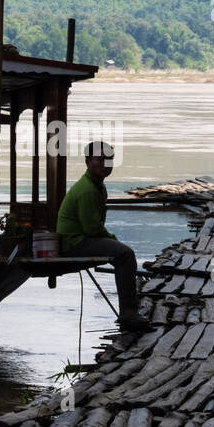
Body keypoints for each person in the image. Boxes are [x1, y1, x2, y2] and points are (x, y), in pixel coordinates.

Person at [56, 141, 150, 331]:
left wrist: (109, 239)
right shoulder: (88, 190)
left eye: (109, 160)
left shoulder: (97, 186)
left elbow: (94, 228)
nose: (105, 164)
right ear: (88, 161)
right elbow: (92, 229)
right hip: (74, 242)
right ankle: (128, 313)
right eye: (100, 159)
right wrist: (112, 238)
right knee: (125, 255)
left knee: (121, 252)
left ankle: (127, 310)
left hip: (82, 238)